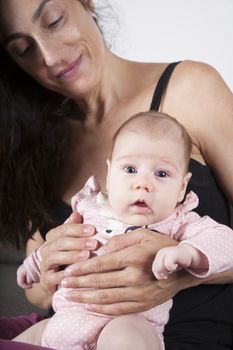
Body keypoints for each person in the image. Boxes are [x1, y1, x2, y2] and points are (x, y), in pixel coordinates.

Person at [0, 0, 232, 349]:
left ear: (87, 2)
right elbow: (36, 293)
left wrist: (180, 273)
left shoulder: (190, 88)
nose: (49, 57)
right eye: (23, 49)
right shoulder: (39, 142)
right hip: (68, 331)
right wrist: (49, 272)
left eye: (53, 20)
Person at [15, 111, 233, 350]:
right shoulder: (89, 208)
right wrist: (33, 267)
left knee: (127, 337)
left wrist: (188, 253)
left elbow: (225, 240)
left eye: (161, 174)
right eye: (130, 169)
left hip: (126, 322)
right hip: (65, 322)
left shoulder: (178, 221)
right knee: (27, 337)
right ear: (109, 174)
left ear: (181, 187)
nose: (142, 184)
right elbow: (55, 248)